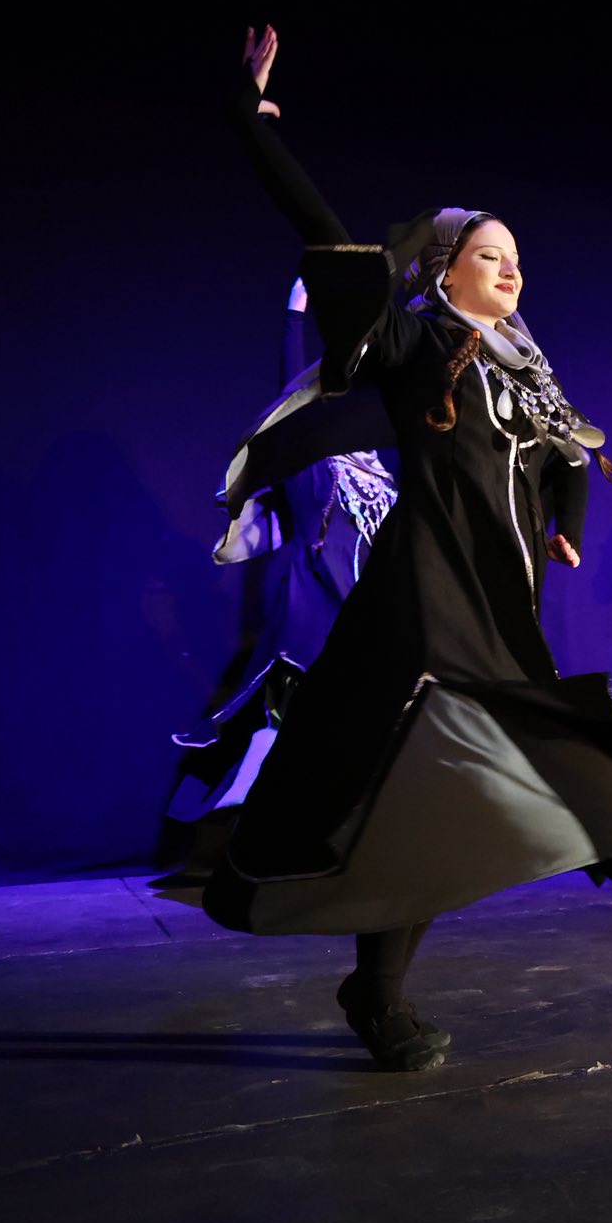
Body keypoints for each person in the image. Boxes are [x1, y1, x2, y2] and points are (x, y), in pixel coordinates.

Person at [203, 28, 612, 1072]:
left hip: (497, 606)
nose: (511, 270)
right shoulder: (416, 343)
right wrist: (253, 124)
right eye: (488, 256)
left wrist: (567, 524)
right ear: (445, 268)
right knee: (414, 786)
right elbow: (324, 235)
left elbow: (569, 448)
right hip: (423, 596)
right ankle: (376, 991)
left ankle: (374, 987)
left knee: (443, 800)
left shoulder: (527, 375)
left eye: (517, 260)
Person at [165, 278, 399, 879]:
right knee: (285, 731)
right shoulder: (312, 460)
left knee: (358, 737)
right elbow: (290, 396)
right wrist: (295, 316)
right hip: (311, 616)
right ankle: (233, 849)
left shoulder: (386, 476)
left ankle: (335, 846)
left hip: (364, 621)